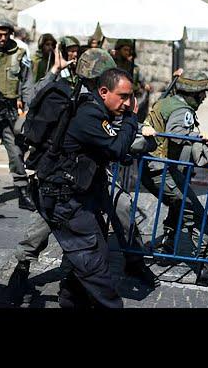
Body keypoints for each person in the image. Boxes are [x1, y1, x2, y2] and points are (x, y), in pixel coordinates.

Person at [8, 48, 159, 305]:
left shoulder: (89, 101)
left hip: (85, 175)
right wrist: (135, 126)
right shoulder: (85, 106)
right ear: (100, 83)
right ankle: (24, 265)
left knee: (109, 220)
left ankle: (87, 284)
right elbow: (116, 143)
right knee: (72, 234)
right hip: (66, 181)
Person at [33, 67, 139, 309]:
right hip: (64, 199)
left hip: (76, 196)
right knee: (94, 263)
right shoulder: (89, 115)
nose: (127, 103)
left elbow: (104, 148)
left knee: (93, 254)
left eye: (130, 97)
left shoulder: (95, 111)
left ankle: (71, 301)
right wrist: (132, 120)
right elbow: (115, 147)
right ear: (103, 91)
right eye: (122, 96)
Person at [142, 72, 208, 287]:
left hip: (154, 168)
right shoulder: (183, 110)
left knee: (178, 206)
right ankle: (206, 267)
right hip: (161, 171)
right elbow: (176, 135)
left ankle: (167, 248)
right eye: (200, 94)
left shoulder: (168, 102)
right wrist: (200, 138)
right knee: (196, 213)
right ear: (191, 93)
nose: (202, 98)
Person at [0, 18, 35, 212]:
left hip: (10, 110)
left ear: (11, 33)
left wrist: (28, 110)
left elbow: (27, 83)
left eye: (5, 34)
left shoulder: (20, 54)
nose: (1, 38)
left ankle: (22, 191)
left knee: (17, 152)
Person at [112, 39, 152, 122]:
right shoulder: (113, 65)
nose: (127, 53)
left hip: (131, 98)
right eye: (125, 50)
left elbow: (142, 81)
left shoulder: (134, 68)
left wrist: (145, 86)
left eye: (129, 50)